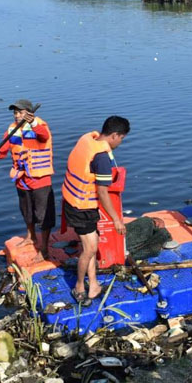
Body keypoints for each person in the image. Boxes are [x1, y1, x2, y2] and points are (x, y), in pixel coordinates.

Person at [62, 116, 129, 303]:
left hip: (73, 199)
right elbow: (103, 192)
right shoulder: (102, 159)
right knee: (90, 248)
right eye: (121, 138)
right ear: (115, 135)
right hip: (81, 206)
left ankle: (93, 285)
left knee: (91, 245)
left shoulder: (88, 139)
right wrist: (116, 219)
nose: (120, 143)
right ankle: (79, 287)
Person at [0, 99, 55, 259]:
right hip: (21, 179)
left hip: (40, 179)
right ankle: (30, 237)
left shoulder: (40, 125)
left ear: (29, 113)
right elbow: (3, 151)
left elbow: (44, 137)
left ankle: (44, 248)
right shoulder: (12, 129)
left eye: (20, 112)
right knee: (27, 211)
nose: (17, 115)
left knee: (43, 215)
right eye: (15, 112)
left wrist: (33, 124)